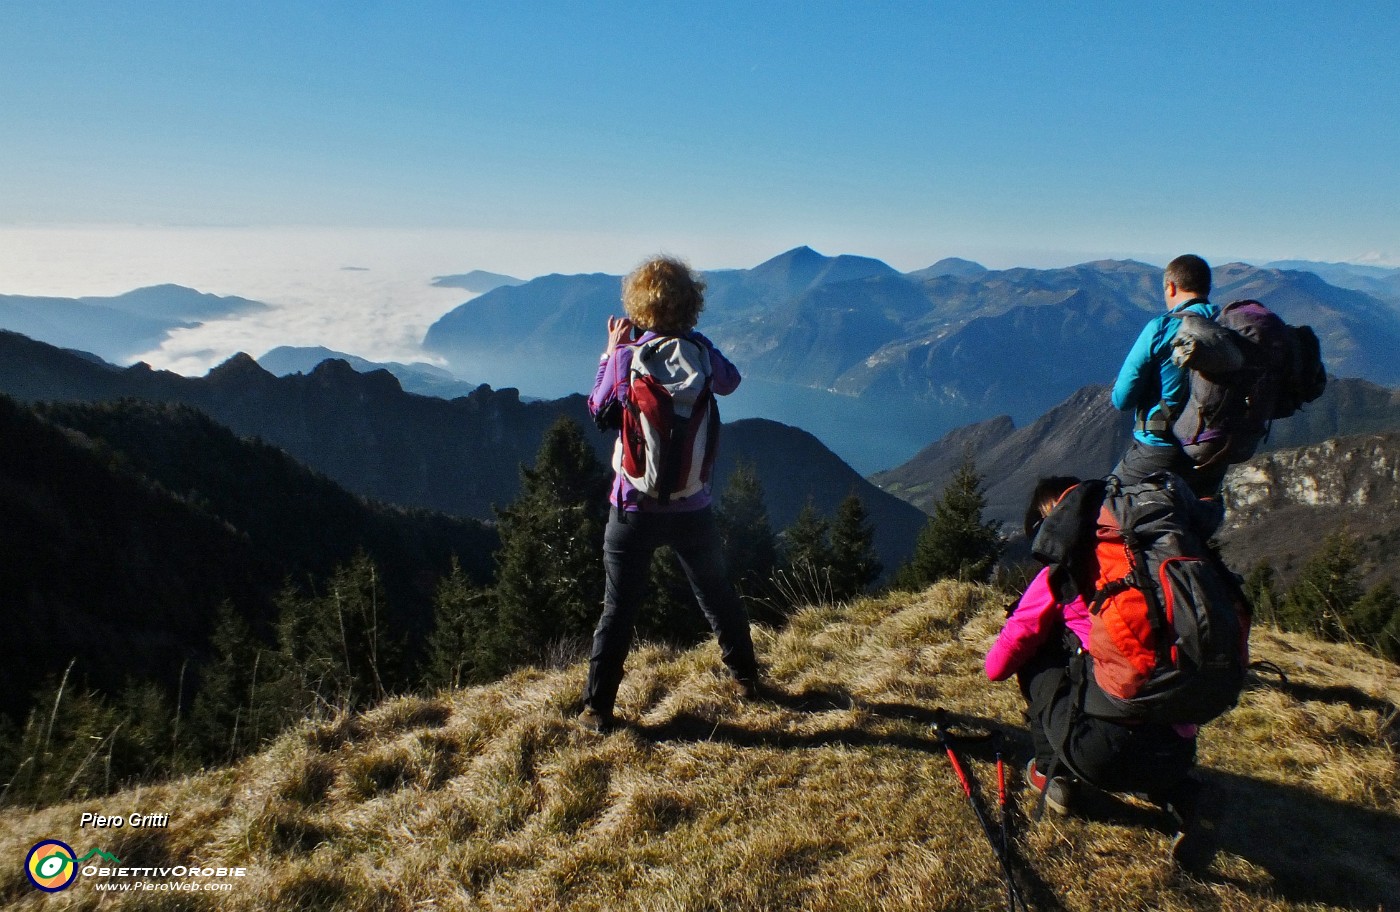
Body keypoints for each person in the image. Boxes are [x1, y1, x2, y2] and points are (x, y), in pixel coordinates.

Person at [986, 476, 1220, 872]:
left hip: (1102, 752)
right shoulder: (1153, 569)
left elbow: (996, 668)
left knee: (1037, 653)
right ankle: (1185, 795)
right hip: (1177, 751)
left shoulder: (1062, 575)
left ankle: (1051, 771)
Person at [579, 255, 761, 733]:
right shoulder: (699, 351)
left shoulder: (628, 355)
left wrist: (612, 351)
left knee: (618, 608)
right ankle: (747, 677)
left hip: (632, 507)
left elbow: (599, 409)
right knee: (716, 592)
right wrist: (696, 340)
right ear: (691, 303)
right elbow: (731, 381)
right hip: (692, 505)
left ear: (639, 304)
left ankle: (597, 710)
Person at [1110, 254, 1225, 495]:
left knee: (1100, 508)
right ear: (1207, 287)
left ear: (1171, 287)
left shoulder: (1161, 327)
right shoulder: (1226, 326)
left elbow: (1122, 399)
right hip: (1213, 455)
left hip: (1161, 451)